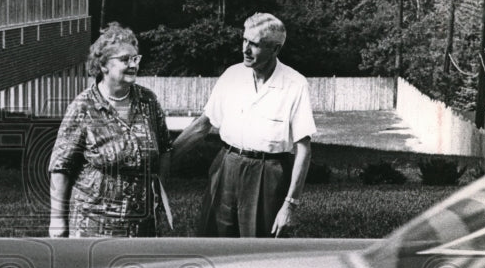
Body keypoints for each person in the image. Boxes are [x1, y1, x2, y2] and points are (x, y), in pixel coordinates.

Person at [172, 13, 315, 237]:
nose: (245, 49)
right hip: (226, 167)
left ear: (275, 49)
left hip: (268, 175)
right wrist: (166, 159)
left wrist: (290, 205)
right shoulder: (232, 75)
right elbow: (203, 124)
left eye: (255, 44)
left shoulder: (295, 84)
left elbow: (304, 149)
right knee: (213, 242)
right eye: (244, 40)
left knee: (259, 252)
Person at [48, 22, 172, 237]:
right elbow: (61, 167)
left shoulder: (148, 101)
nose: (133, 64)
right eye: (125, 60)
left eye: (136, 58)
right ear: (104, 65)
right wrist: (57, 220)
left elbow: (165, 150)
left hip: (141, 225)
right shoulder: (83, 107)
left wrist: (157, 195)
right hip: (93, 224)